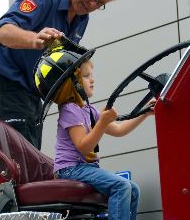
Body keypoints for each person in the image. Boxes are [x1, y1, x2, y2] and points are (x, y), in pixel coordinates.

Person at [0, 0, 122, 150]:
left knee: (31, 162)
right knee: (18, 163)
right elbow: (0, 32)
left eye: (100, 3)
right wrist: (34, 39)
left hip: (32, 97)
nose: (93, 4)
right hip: (5, 85)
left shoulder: (81, 20)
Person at [33, 43, 155, 220]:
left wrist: (145, 112)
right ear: (71, 83)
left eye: (91, 75)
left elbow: (119, 130)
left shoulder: (89, 111)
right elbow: (83, 146)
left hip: (86, 167)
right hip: (71, 169)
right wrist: (102, 123)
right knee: (121, 187)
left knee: (133, 189)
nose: (92, 79)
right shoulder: (69, 110)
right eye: (86, 76)